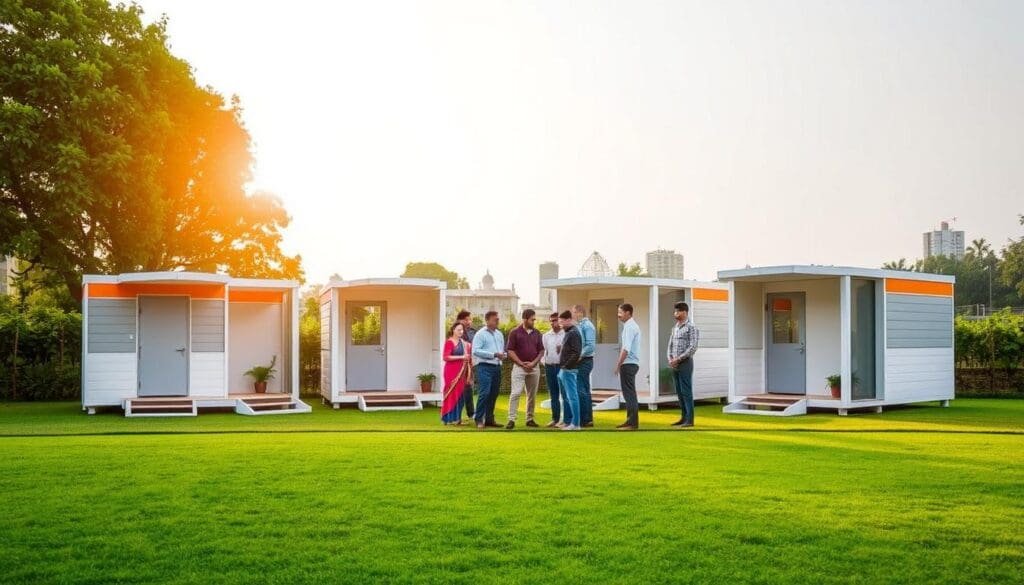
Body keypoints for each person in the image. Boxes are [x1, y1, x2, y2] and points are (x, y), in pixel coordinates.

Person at [505, 309, 545, 429]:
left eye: (534, 319)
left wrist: (533, 363)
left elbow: (541, 351)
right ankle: (511, 419)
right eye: (532, 319)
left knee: (532, 395)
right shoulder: (515, 332)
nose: (534, 321)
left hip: (534, 368)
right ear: (525, 319)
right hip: (519, 367)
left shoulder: (537, 333)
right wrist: (521, 364)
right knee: (516, 393)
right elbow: (510, 350)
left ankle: (530, 419)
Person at [471, 310, 506, 429]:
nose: (497, 321)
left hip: (496, 367)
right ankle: (479, 418)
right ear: (487, 320)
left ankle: (490, 419)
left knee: (494, 394)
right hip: (484, 367)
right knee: (484, 393)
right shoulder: (480, 334)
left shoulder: (499, 334)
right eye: (495, 319)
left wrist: (502, 355)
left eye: (498, 319)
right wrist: (494, 354)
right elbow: (475, 350)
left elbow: (501, 350)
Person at [667, 301, 700, 428]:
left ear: (684, 312)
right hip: (674, 363)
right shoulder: (675, 327)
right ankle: (683, 417)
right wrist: (670, 358)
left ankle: (689, 420)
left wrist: (678, 359)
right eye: (675, 311)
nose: (675, 313)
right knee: (679, 392)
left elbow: (693, 347)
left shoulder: (691, 327)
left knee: (686, 391)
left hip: (685, 363)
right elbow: (670, 344)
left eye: (678, 311)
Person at [613, 303, 641, 430]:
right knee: (629, 393)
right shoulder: (630, 326)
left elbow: (626, 349)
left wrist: (618, 365)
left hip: (628, 364)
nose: (618, 315)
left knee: (629, 394)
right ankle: (629, 421)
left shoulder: (629, 327)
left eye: (620, 312)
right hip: (631, 363)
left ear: (628, 313)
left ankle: (632, 423)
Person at [441, 322, 472, 425]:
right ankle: (448, 418)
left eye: (462, 330)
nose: (460, 332)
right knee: (451, 394)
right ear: (453, 330)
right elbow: (446, 357)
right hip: (451, 371)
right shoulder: (449, 342)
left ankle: (457, 419)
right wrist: (462, 357)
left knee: (460, 395)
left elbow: (469, 357)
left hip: (462, 372)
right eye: (458, 330)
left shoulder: (464, 343)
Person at [556, 310, 583, 431]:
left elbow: (576, 353)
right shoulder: (569, 332)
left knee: (572, 397)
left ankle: (575, 424)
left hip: (569, 370)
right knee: (568, 397)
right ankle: (571, 422)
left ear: (568, 320)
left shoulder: (573, 333)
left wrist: (566, 366)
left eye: (562, 322)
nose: (560, 324)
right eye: (559, 322)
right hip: (565, 369)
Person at [571, 304, 596, 428]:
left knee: (581, 390)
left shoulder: (587, 326)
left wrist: (579, 355)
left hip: (585, 361)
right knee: (584, 389)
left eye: (574, 312)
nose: (573, 315)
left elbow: (590, 345)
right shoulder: (580, 326)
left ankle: (585, 419)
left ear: (580, 312)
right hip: (582, 360)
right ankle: (587, 419)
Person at [542, 312, 566, 427]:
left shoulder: (566, 334)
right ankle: (555, 419)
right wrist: (545, 363)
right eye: (551, 321)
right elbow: (544, 351)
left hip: (561, 367)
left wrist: (562, 348)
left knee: (565, 394)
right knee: (553, 395)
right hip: (549, 366)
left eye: (555, 320)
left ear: (560, 321)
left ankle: (566, 419)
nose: (553, 323)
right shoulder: (546, 336)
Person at [456, 310, 477, 419]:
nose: (469, 321)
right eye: (466, 319)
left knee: (468, 388)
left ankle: (471, 413)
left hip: (470, 364)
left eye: (470, 319)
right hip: (458, 364)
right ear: (460, 320)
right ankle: (456, 415)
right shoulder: (455, 331)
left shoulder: (473, 332)